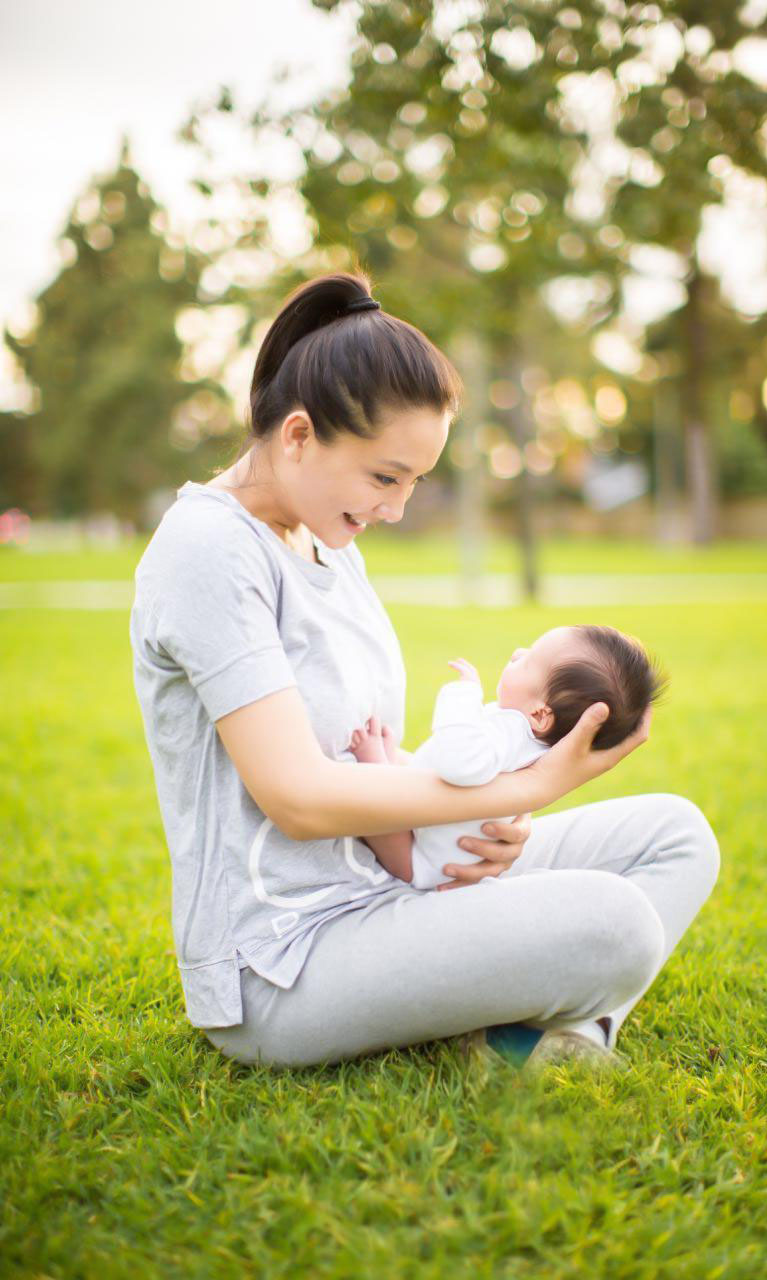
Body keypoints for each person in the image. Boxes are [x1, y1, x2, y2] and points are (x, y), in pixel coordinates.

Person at [130, 271, 720, 1070]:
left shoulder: (327, 544)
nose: (397, 509)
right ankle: (534, 1022)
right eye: (384, 477)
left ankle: (563, 1039)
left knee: (675, 834)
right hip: (284, 960)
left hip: (396, 884)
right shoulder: (209, 549)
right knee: (616, 922)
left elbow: (369, 763)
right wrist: (527, 788)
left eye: (413, 481)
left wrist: (472, 835)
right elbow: (299, 799)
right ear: (298, 435)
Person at [349, 625, 667, 890]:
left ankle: (375, 769)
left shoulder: (512, 733)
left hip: (424, 862)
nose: (516, 653)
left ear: (541, 714)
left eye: (527, 662)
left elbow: (457, 763)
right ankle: (384, 768)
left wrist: (465, 693)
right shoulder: (524, 738)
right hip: (441, 840)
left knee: (384, 821)